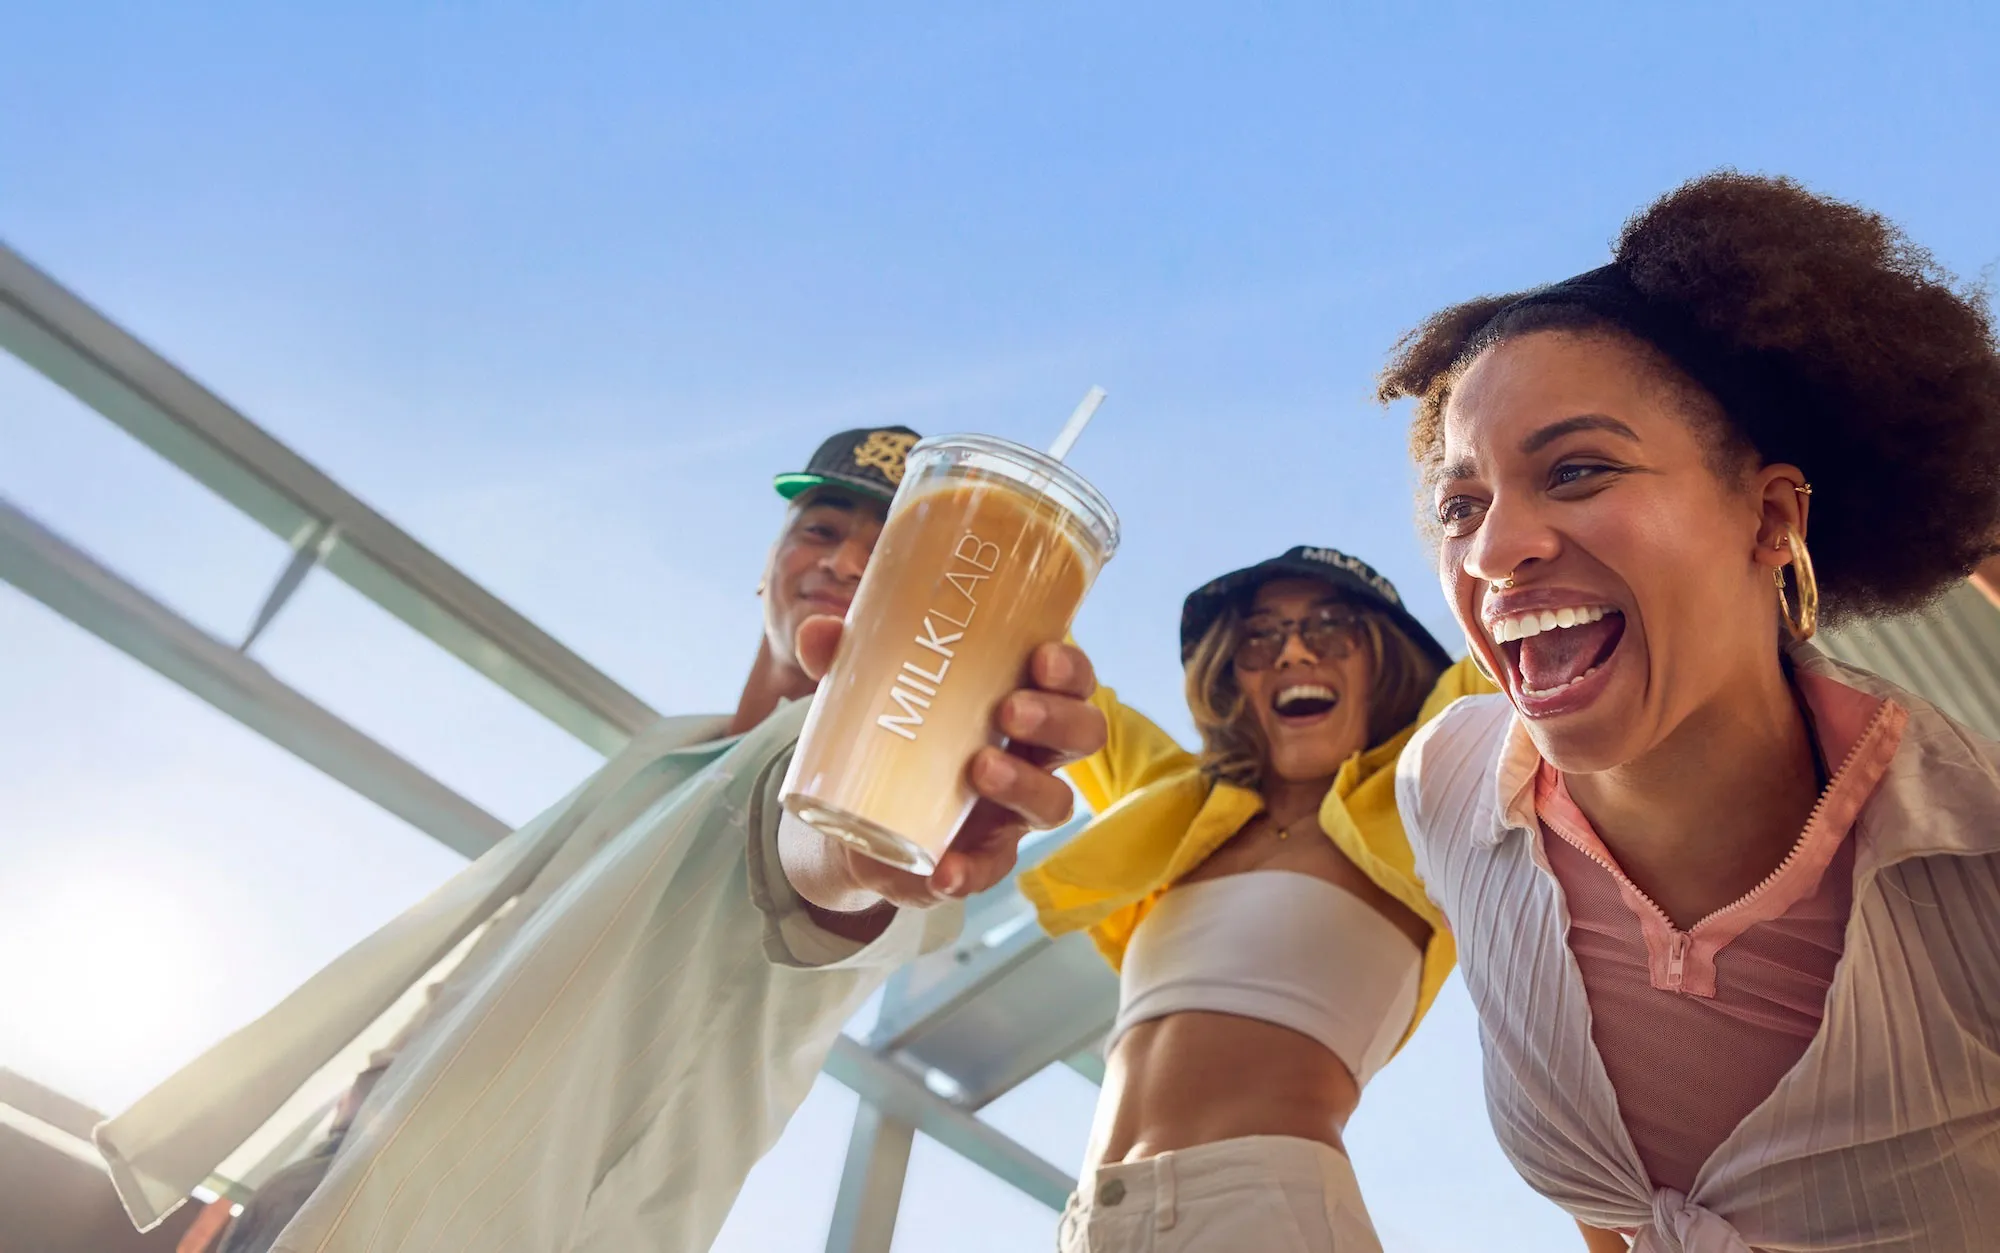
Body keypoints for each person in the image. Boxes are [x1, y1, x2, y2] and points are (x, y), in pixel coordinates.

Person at [97, 426, 1109, 1253]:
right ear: (765, 564)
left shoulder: (850, 775)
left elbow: (825, 877)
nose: (841, 559)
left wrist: (868, 851)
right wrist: (295, 1173)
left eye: (885, 547)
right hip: (333, 1182)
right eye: (819, 525)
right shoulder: (664, 749)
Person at [1381, 172, 2000, 1250]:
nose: (1489, 551)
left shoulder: (1975, 856)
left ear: (1768, 515)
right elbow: (1618, 1211)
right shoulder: (1445, 788)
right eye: (1458, 505)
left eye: (1574, 469)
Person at [1020, 545, 1494, 1251]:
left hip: (1266, 1211)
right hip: (1094, 1217)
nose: (1295, 651)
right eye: (1258, 637)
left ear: (1384, 662)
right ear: (1232, 675)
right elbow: (1033, 652)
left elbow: (1506, 620)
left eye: (1332, 628)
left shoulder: (1426, 792)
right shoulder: (1176, 800)